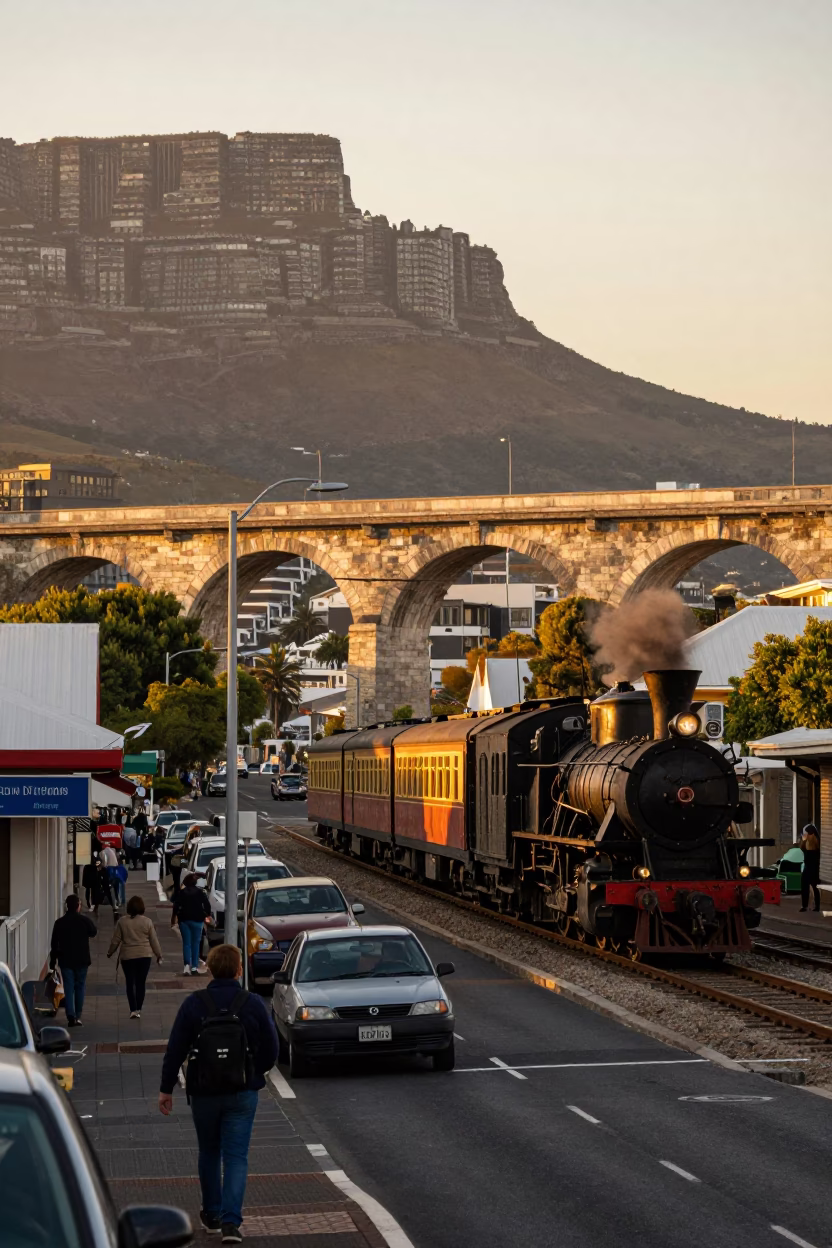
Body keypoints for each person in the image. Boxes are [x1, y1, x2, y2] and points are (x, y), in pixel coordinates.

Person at [158, 943, 279, 1242]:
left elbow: (175, 1050)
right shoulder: (251, 1003)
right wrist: (253, 1074)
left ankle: (211, 1214)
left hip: (204, 1092)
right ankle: (231, 1223)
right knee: (236, 1156)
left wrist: (166, 1088)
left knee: (209, 1151)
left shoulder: (194, 1004)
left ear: (209, 969)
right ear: (239, 970)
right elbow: (272, 1049)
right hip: (242, 1092)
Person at [108, 895, 163, 1018]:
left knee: (130, 982)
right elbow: (154, 941)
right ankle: (139, 1008)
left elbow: (115, 940)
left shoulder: (122, 922)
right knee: (140, 982)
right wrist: (159, 955)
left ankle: (132, 1009)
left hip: (127, 957)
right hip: (145, 956)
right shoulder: (147, 922)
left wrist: (110, 952)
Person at [49, 895, 97, 1027]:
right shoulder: (84, 920)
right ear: (78, 906)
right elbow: (93, 932)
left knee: (68, 987)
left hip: (65, 959)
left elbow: (54, 944)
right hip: (82, 959)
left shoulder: (59, 923)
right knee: (80, 986)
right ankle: (78, 1015)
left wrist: (52, 961)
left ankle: (70, 1015)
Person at [172, 873, 212, 975]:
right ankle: (194, 967)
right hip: (197, 920)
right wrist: (206, 914)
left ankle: (186, 966)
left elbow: (176, 906)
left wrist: (174, 918)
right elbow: (207, 905)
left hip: (184, 920)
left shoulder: (182, 893)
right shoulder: (200, 892)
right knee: (196, 943)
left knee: (186, 943)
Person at [800, 823, 822, 912]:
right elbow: (802, 848)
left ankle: (814, 906)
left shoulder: (816, 844)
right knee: (807, 887)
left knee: (814, 887)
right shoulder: (807, 843)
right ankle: (807, 906)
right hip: (809, 868)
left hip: (813, 868)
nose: (806, 835)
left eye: (808, 833)